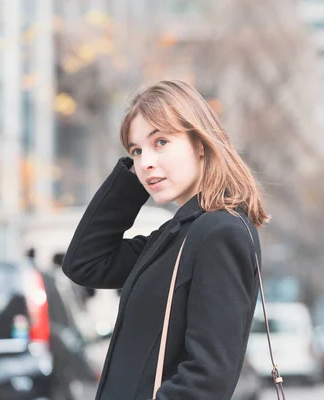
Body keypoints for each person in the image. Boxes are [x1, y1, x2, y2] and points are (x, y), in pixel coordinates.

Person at [62, 80, 268, 400]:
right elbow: (86, 264)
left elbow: (208, 377)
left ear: (200, 143)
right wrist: (134, 175)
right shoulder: (178, 235)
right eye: (136, 150)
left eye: (161, 142)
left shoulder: (219, 234)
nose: (145, 162)